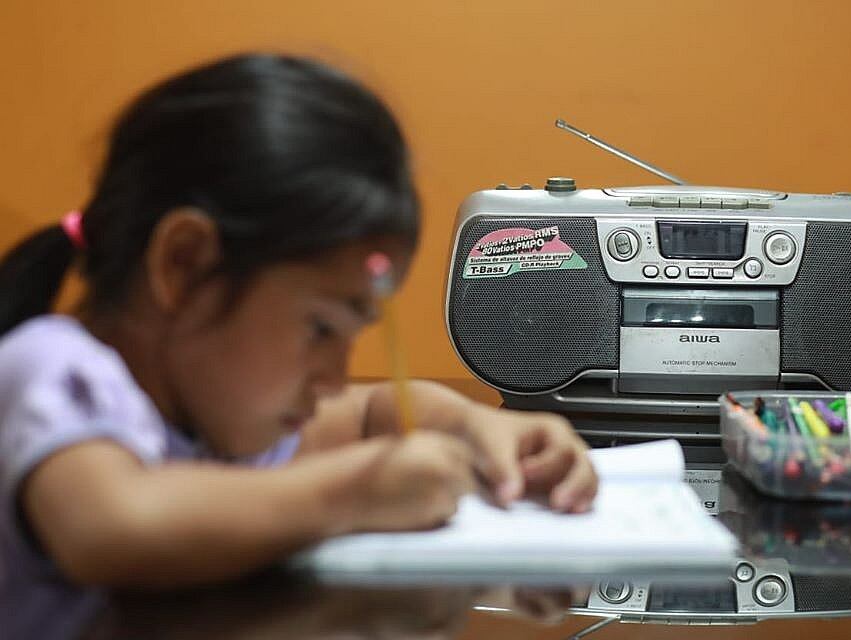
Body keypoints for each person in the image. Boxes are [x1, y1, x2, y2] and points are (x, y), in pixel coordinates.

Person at [0, 53, 597, 637]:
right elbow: (113, 529)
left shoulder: (216, 416)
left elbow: (369, 415)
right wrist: (356, 493)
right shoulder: (54, 369)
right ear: (184, 264)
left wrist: (475, 430)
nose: (335, 380)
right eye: (321, 329)